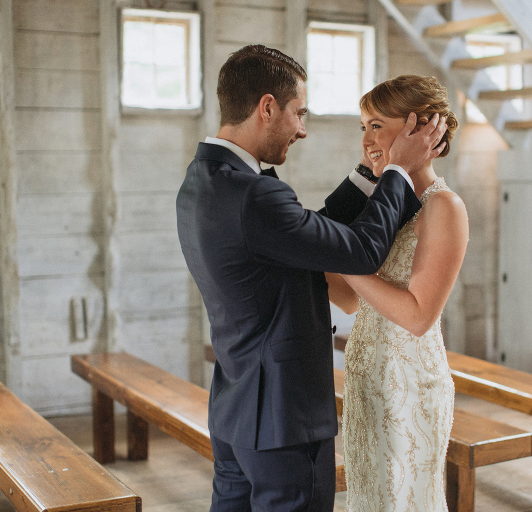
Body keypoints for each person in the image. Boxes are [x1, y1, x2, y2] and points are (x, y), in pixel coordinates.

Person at [176, 46, 447, 512]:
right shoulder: (256, 195)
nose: (303, 128)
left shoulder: (205, 179)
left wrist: (369, 175)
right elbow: (360, 251)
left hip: (237, 410)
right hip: (283, 417)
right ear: (267, 108)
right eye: (298, 113)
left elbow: (306, 235)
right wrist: (397, 169)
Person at [327, 75, 468, 512]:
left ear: (420, 133)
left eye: (377, 125)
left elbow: (418, 316)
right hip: (367, 376)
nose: (367, 139)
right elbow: (347, 297)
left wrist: (350, 257)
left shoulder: (444, 206)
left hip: (410, 383)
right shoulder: (382, 201)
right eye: (363, 127)